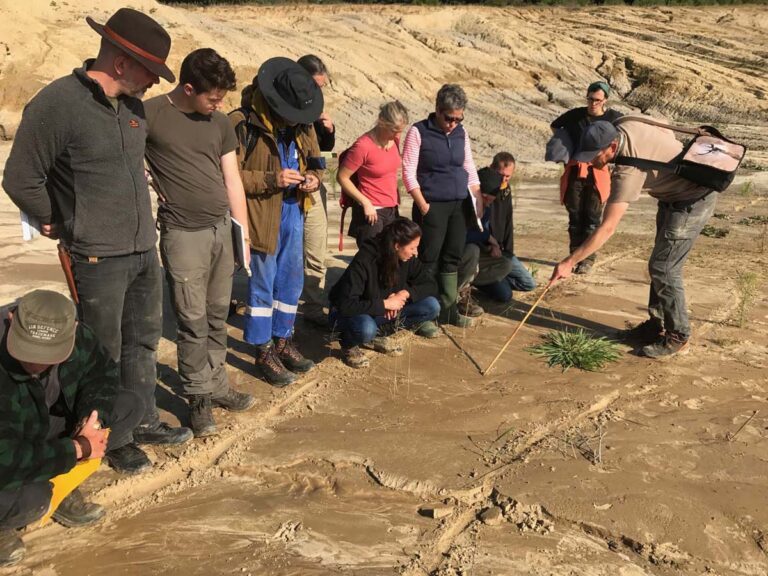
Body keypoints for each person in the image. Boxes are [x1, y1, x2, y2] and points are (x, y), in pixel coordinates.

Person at [2, 8, 192, 471]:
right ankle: (110, 436)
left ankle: (141, 417)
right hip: (94, 257)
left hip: (143, 249)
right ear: (123, 62)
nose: (154, 81)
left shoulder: (132, 108)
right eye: (151, 70)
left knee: (143, 343)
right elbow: (20, 177)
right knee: (101, 357)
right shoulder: (57, 104)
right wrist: (60, 220)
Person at [144, 48, 256, 438]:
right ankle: (198, 397)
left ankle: (218, 385)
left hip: (221, 231)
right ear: (188, 88)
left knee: (215, 316)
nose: (219, 104)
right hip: (182, 235)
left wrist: (242, 235)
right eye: (213, 98)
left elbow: (232, 179)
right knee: (190, 322)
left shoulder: (221, 122)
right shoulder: (151, 115)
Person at [0, 290, 148, 566]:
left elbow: (101, 374)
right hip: (8, 442)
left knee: (128, 406)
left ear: (74, 331)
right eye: (27, 349)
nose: (36, 363)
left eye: (48, 354)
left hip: (40, 426)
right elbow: (4, 459)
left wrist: (91, 420)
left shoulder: (80, 336)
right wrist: (77, 448)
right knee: (33, 499)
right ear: (10, 320)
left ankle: (60, 483)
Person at [549, 118, 719, 358]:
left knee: (664, 267)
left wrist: (569, 262)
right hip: (672, 198)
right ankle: (656, 326)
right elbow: (663, 126)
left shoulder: (627, 172)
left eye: (593, 156)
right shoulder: (625, 123)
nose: (589, 163)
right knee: (659, 265)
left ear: (611, 146)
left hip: (694, 200)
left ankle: (679, 336)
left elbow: (607, 228)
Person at [230, 57, 324, 387]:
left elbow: (317, 162)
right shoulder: (241, 124)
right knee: (262, 286)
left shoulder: (303, 124)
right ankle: (262, 348)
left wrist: (313, 178)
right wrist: (273, 179)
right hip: (261, 218)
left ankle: (284, 340)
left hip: (294, 213)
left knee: (291, 282)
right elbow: (229, 176)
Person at [402, 84, 481, 328]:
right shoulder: (418, 132)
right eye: (449, 118)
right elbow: (408, 171)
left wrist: (477, 198)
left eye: (459, 119)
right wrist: (423, 204)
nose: (453, 123)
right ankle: (423, 313)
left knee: (452, 256)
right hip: (432, 204)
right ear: (437, 110)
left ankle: (447, 310)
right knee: (428, 256)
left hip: (458, 203)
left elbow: (468, 166)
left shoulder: (461, 133)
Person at [328, 218, 440, 368]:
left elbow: (431, 284)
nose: (416, 253)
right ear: (397, 246)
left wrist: (404, 294)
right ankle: (349, 343)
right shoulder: (365, 259)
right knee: (366, 328)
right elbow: (346, 305)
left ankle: (377, 336)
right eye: (413, 248)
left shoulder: (407, 259)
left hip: (379, 311)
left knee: (432, 306)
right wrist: (384, 304)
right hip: (349, 315)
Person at [550, 81, 623, 274]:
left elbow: (624, 133)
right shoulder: (576, 115)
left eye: (597, 100)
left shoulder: (614, 118)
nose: (593, 103)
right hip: (575, 169)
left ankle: (588, 259)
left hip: (598, 171)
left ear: (605, 99)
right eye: (590, 99)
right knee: (575, 216)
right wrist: (566, 147)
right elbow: (555, 126)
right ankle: (573, 256)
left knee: (592, 217)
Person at [337, 101, 409, 247]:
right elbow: (342, 177)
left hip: (391, 209)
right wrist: (365, 202)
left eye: (400, 130)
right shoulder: (363, 146)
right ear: (382, 122)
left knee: (389, 260)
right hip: (371, 212)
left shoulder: (393, 139)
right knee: (371, 261)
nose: (397, 134)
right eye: (394, 130)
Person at [298, 55, 335, 327]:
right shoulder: (279, 106)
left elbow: (322, 153)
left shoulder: (315, 107)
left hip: (313, 186)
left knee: (315, 247)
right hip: (283, 188)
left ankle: (312, 305)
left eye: (321, 87)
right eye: (315, 85)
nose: (317, 92)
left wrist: (328, 131)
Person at [476, 152, 537, 304]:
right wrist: (490, 245)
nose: (503, 179)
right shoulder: (482, 186)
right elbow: (478, 225)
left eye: (508, 176)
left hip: (502, 249)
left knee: (528, 283)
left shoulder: (506, 189)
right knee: (504, 295)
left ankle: (493, 277)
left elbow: (508, 220)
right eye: (501, 174)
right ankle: (476, 279)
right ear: (491, 168)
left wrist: (509, 251)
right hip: (484, 249)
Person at [457, 169, 516, 317]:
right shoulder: (461, 204)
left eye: (490, 200)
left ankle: (470, 280)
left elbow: (481, 232)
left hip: (476, 261)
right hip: (459, 256)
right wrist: (487, 237)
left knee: (506, 265)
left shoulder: (486, 209)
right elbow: (462, 237)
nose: (487, 203)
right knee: (472, 250)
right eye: (484, 198)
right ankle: (459, 295)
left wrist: (492, 245)